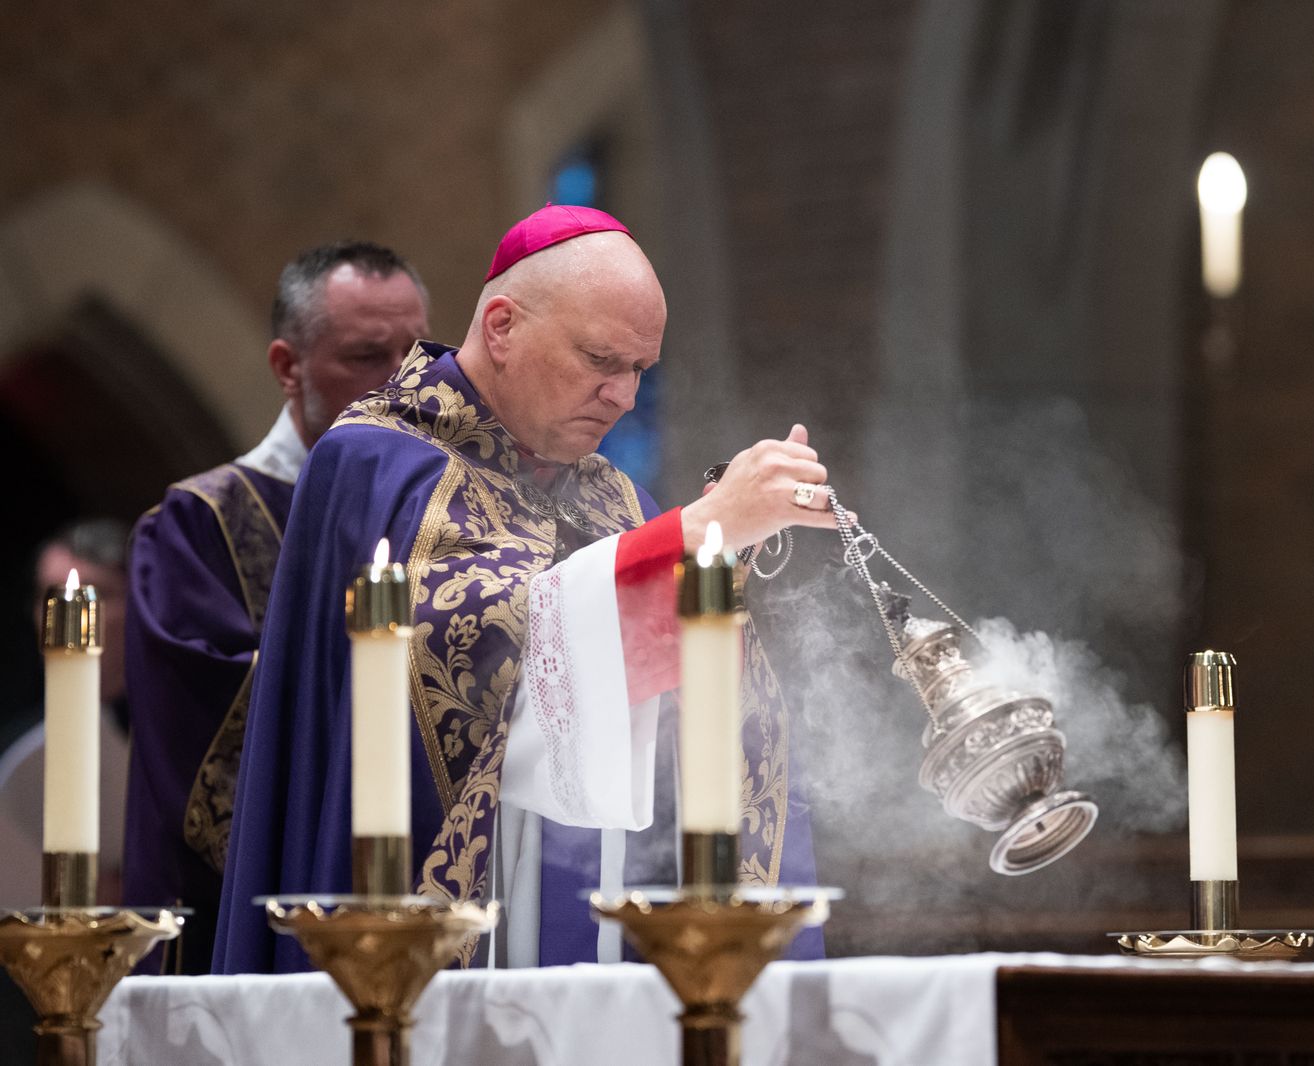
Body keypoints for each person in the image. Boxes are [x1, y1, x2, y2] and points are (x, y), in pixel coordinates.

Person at [215, 205, 835, 973]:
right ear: (502, 326)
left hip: (589, 929)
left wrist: (716, 564)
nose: (624, 396)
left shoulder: (611, 493)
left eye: (641, 369)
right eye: (601, 359)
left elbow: (679, 716)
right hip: (419, 937)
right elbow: (462, 656)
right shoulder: (373, 461)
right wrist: (696, 533)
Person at [123, 242, 429, 973]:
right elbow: (210, 745)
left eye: (417, 352)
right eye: (364, 356)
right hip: (239, 928)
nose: (401, 382)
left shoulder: (447, 514)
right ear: (288, 368)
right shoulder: (198, 527)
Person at [0, 520, 132, 908]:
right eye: (47, 596)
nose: (64, 617)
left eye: (94, 596)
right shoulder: (16, 745)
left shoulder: (182, 734)